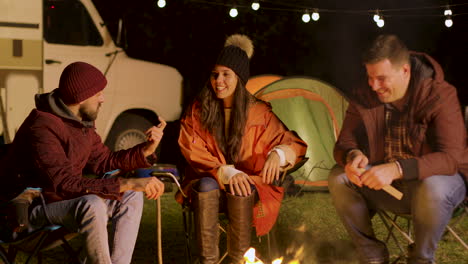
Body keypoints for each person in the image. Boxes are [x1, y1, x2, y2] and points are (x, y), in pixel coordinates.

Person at [0, 61, 166, 264]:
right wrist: (127, 182)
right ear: (81, 97)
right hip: (25, 212)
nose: (103, 99)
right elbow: (65, 184)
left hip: (58, 203)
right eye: (98, 94)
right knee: (92, 204)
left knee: (131, 196)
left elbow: (105, 161)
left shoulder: (80, 124)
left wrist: (146, 150)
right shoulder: (42, 127)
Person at [329, 34, 467, 264]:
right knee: (339, 177)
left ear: (405, 71)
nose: (374, 86)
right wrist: (352, 156)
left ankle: (421, 259)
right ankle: (372, 257)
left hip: (436, 187)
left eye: (381, 78)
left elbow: (451, 158)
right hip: (388, 187)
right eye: (370, 77)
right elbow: (344, 142)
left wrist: (397, 169)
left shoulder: (439, 94)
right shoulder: (365, 93)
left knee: (434, 186)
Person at [177, 34, 307, 264]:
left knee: (243, 186)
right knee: (206, 184)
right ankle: (207, 261)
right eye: (215, 74)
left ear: (239, 78)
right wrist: (225, 171)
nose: (219, 81)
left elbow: (292, 143)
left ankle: (239, 259)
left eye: (226, 75)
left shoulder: (257, 112)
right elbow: (190, 146)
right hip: (210, 184)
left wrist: (278, 154)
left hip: (248, 190)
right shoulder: (199, 109)